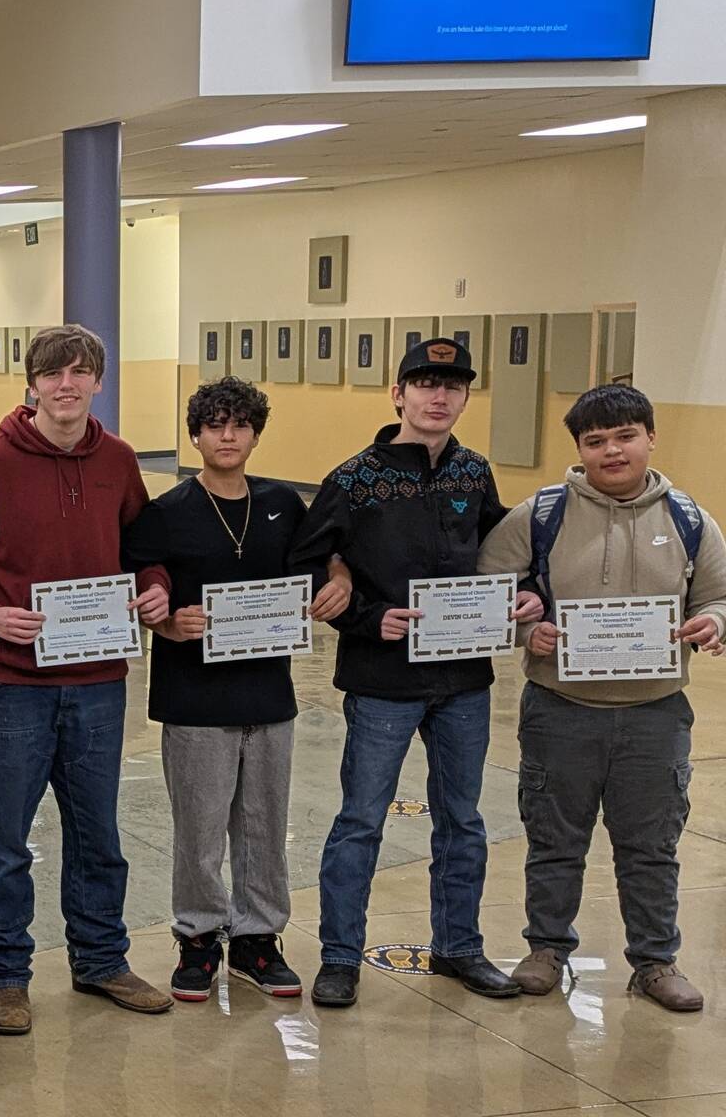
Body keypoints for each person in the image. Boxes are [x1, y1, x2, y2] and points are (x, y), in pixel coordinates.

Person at [0, 322, 173, 1031]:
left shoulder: (118, 460)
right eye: (53, 374)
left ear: (98, 382)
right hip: (12, 688)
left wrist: (154, 587)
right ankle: (7, 976)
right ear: (32, 384)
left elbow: (144, 547)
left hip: (98, 681)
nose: (67, 385)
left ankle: (101, 960)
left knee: (99, 834)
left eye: (81, 373)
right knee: (8, 839)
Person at [289, 337, 542, 1008]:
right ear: (398, 394)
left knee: (462, 819)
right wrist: (366, 617)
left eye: (453, 386)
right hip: (382, 682)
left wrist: (527, 591)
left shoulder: (475, 473)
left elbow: (505, 550)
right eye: (425, 384)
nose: (439, 397)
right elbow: (308, 565)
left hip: (463, 680)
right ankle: (341, 955)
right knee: (361, 819)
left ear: (464, 397)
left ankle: (459, 947)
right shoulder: (353, 479)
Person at [477, 384, 725, 1011]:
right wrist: (530, 629)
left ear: (650, 438)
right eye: (596, 441)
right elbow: (488, 590)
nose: (612, 451)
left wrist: (714, 623)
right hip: (560, 711)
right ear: (580, 449)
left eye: (625, 437)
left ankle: (655, 961)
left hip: (656, 715)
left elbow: (718, 597)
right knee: (555, 839)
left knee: (651, 846)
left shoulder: (690, 520)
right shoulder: (542, 514)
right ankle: (546, 950)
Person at [126, 378, 351, 1002]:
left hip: (268, 695)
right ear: (195, 435)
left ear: (255, 434)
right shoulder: (166, 512)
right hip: (195, 698)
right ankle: (198, 938)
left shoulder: (282, 503)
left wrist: (339, 576)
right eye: (215, 426)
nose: (228, 437)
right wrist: (168, 621)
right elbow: (146, 588)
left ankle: (257, 938)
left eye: (240, 426)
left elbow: (320, 560)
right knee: (198, 830)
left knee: (263, 824)